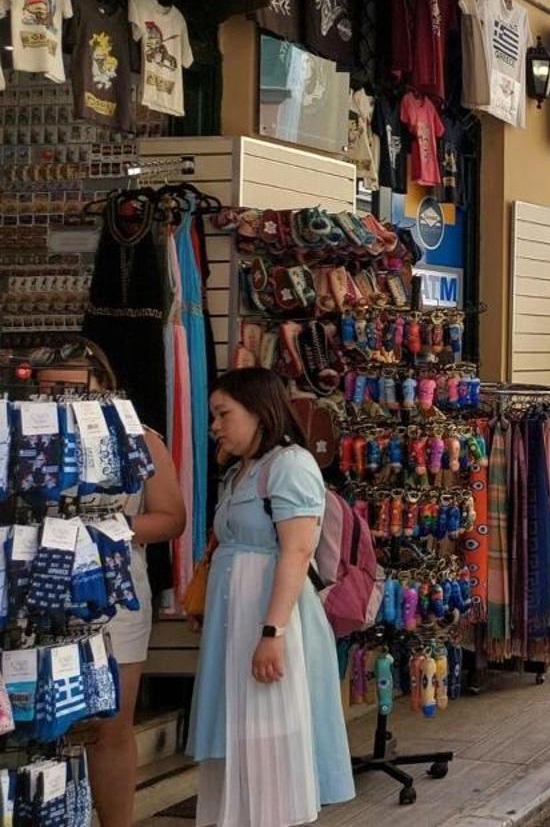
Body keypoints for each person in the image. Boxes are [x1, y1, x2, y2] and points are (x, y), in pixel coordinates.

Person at [191, 368, 355, 826]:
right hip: (238, 617)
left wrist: (272, 630)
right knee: (238, 732)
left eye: (224, 414)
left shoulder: (290, 465)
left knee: (267, 730)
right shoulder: (240, 472)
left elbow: (298, 550)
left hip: (266, 615)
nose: (216, 426)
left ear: (259, 412)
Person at [39, 343, 186, 827]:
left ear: (104, 382)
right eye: (52, 389)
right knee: (41, 719)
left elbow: (171, 519)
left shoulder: (140, 439)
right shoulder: (28, 437)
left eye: (75, 387)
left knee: (111, 722)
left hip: (115, 593)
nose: (65, 399)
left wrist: (107, 526)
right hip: (40, 593)